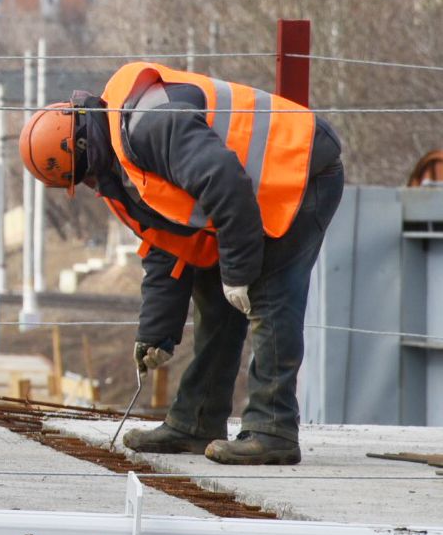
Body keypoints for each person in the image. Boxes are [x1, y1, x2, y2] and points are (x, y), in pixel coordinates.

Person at [18, 60, 344, 465]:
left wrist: (239, 275)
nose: (85, 186)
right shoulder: (121, 160)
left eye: (77, 178)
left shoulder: (149, 127)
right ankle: (195, 423)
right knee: (214, 296)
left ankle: (272, 430)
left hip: (301, 168)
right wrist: (156, 332)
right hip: (248, 194)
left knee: (269, 294)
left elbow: (225, 182)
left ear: (83, 152)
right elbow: (167, 243)